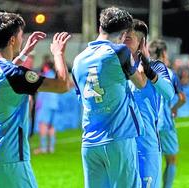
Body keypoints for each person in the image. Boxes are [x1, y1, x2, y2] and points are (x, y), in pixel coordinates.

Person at [0, 12, 71, 188]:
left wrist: (25, 51)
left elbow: (7, 73)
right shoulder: (14, 75)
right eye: (20, 36)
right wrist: (58, 53)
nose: (22, 39)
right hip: (10, 159)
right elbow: (62, 85)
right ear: (12, 40)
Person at [72, 7, 150, 188]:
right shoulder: (119, 52)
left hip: (90, 142)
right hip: (118, 138)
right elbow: (141, 83)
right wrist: (143, 57)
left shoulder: (78, 60)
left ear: (100, 27)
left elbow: (80, 98)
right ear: (123, 34)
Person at [124, 19, 174, 188]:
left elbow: (169, 93)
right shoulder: (117, 67)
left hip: (146, 147)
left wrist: (149, 72)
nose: (122, 41)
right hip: (122, 145)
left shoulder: (155, 66)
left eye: (128, 38)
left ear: (141, 43)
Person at [149, 39, 186, 188]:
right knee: (171, 160)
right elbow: (182, 98)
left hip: (149, 124)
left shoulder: (144, 71)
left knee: (151, 161)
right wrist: (174, 108)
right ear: (164, 53)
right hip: (165, 123)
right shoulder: (169, 73)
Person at [34, 61, 59, 154]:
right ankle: (51, 148)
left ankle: (43, 148)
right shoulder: (54, 76)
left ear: (45, 67)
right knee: (51, 126)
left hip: (46, 103)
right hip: (54, 103)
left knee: (43, 124)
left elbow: (41, 91)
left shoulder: (45, 76)